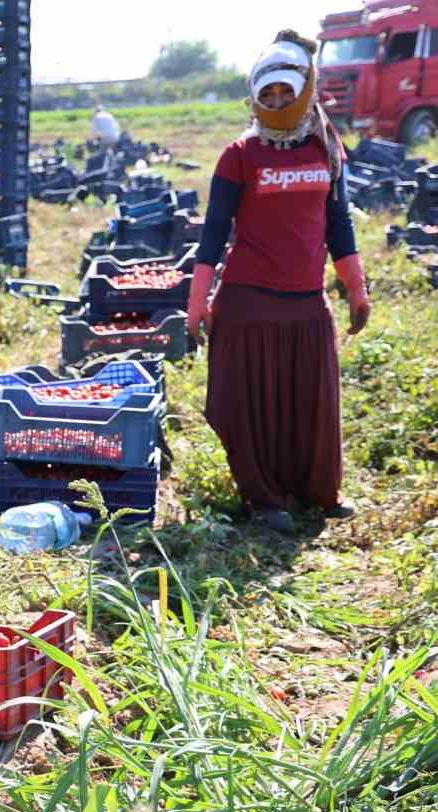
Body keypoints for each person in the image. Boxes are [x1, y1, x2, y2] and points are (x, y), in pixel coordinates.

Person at [187, 30, 370, 535]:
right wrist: (197, 304)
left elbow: (340, 226)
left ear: (305, 91)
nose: (276, 102)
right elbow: (213, 235)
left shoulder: (326, 149)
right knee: (252, 409)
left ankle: (319, 493)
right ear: (254, 98)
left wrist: (356, 288)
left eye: (286, 92)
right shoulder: (239, 155)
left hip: (307, 303)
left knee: (312, 404)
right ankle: (264, 499)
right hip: (248, 305)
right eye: (266, 95)